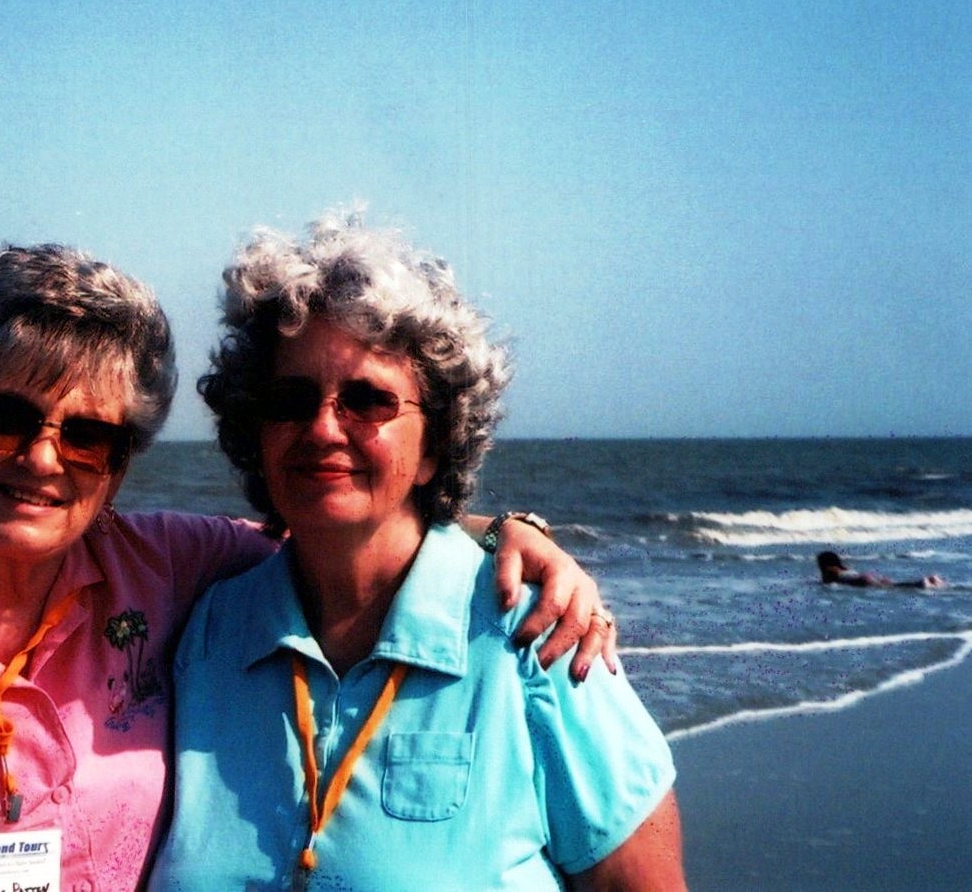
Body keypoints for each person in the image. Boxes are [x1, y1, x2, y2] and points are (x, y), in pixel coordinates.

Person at [0, 242, 616, 891]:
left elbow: (342, 521)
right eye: (4, 419)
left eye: (87, 435)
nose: (42, 459)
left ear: (120, 462)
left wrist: (507, 531)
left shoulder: (165, 568)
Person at [150, 213, 684, 890]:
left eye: (368, 400)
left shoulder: (535, 633)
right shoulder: (208, 633)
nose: (323, 427)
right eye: (290, 399)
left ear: (435, 443)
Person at [816, 550, 945, 589]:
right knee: (895, 585)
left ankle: (922, 583)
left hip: (862, 580)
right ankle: (930, 580)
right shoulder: (844, 569)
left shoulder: (830, 571)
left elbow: (827, 582)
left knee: (896, 587)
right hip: (865, 577)